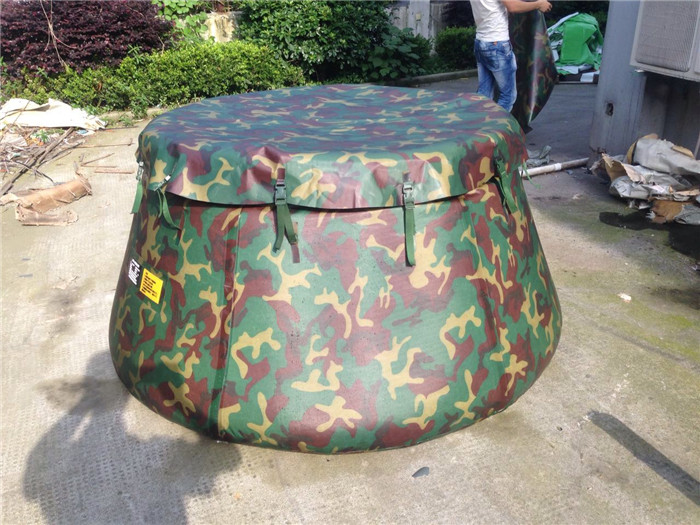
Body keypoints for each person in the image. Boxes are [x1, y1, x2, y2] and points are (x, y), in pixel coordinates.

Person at [469, 0, 552, 111]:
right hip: (497, 44)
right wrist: (538, 4)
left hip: (481, 41)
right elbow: (513, 6)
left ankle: (480, 121)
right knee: (507, 96)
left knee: (484, 95)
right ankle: (498, 122)